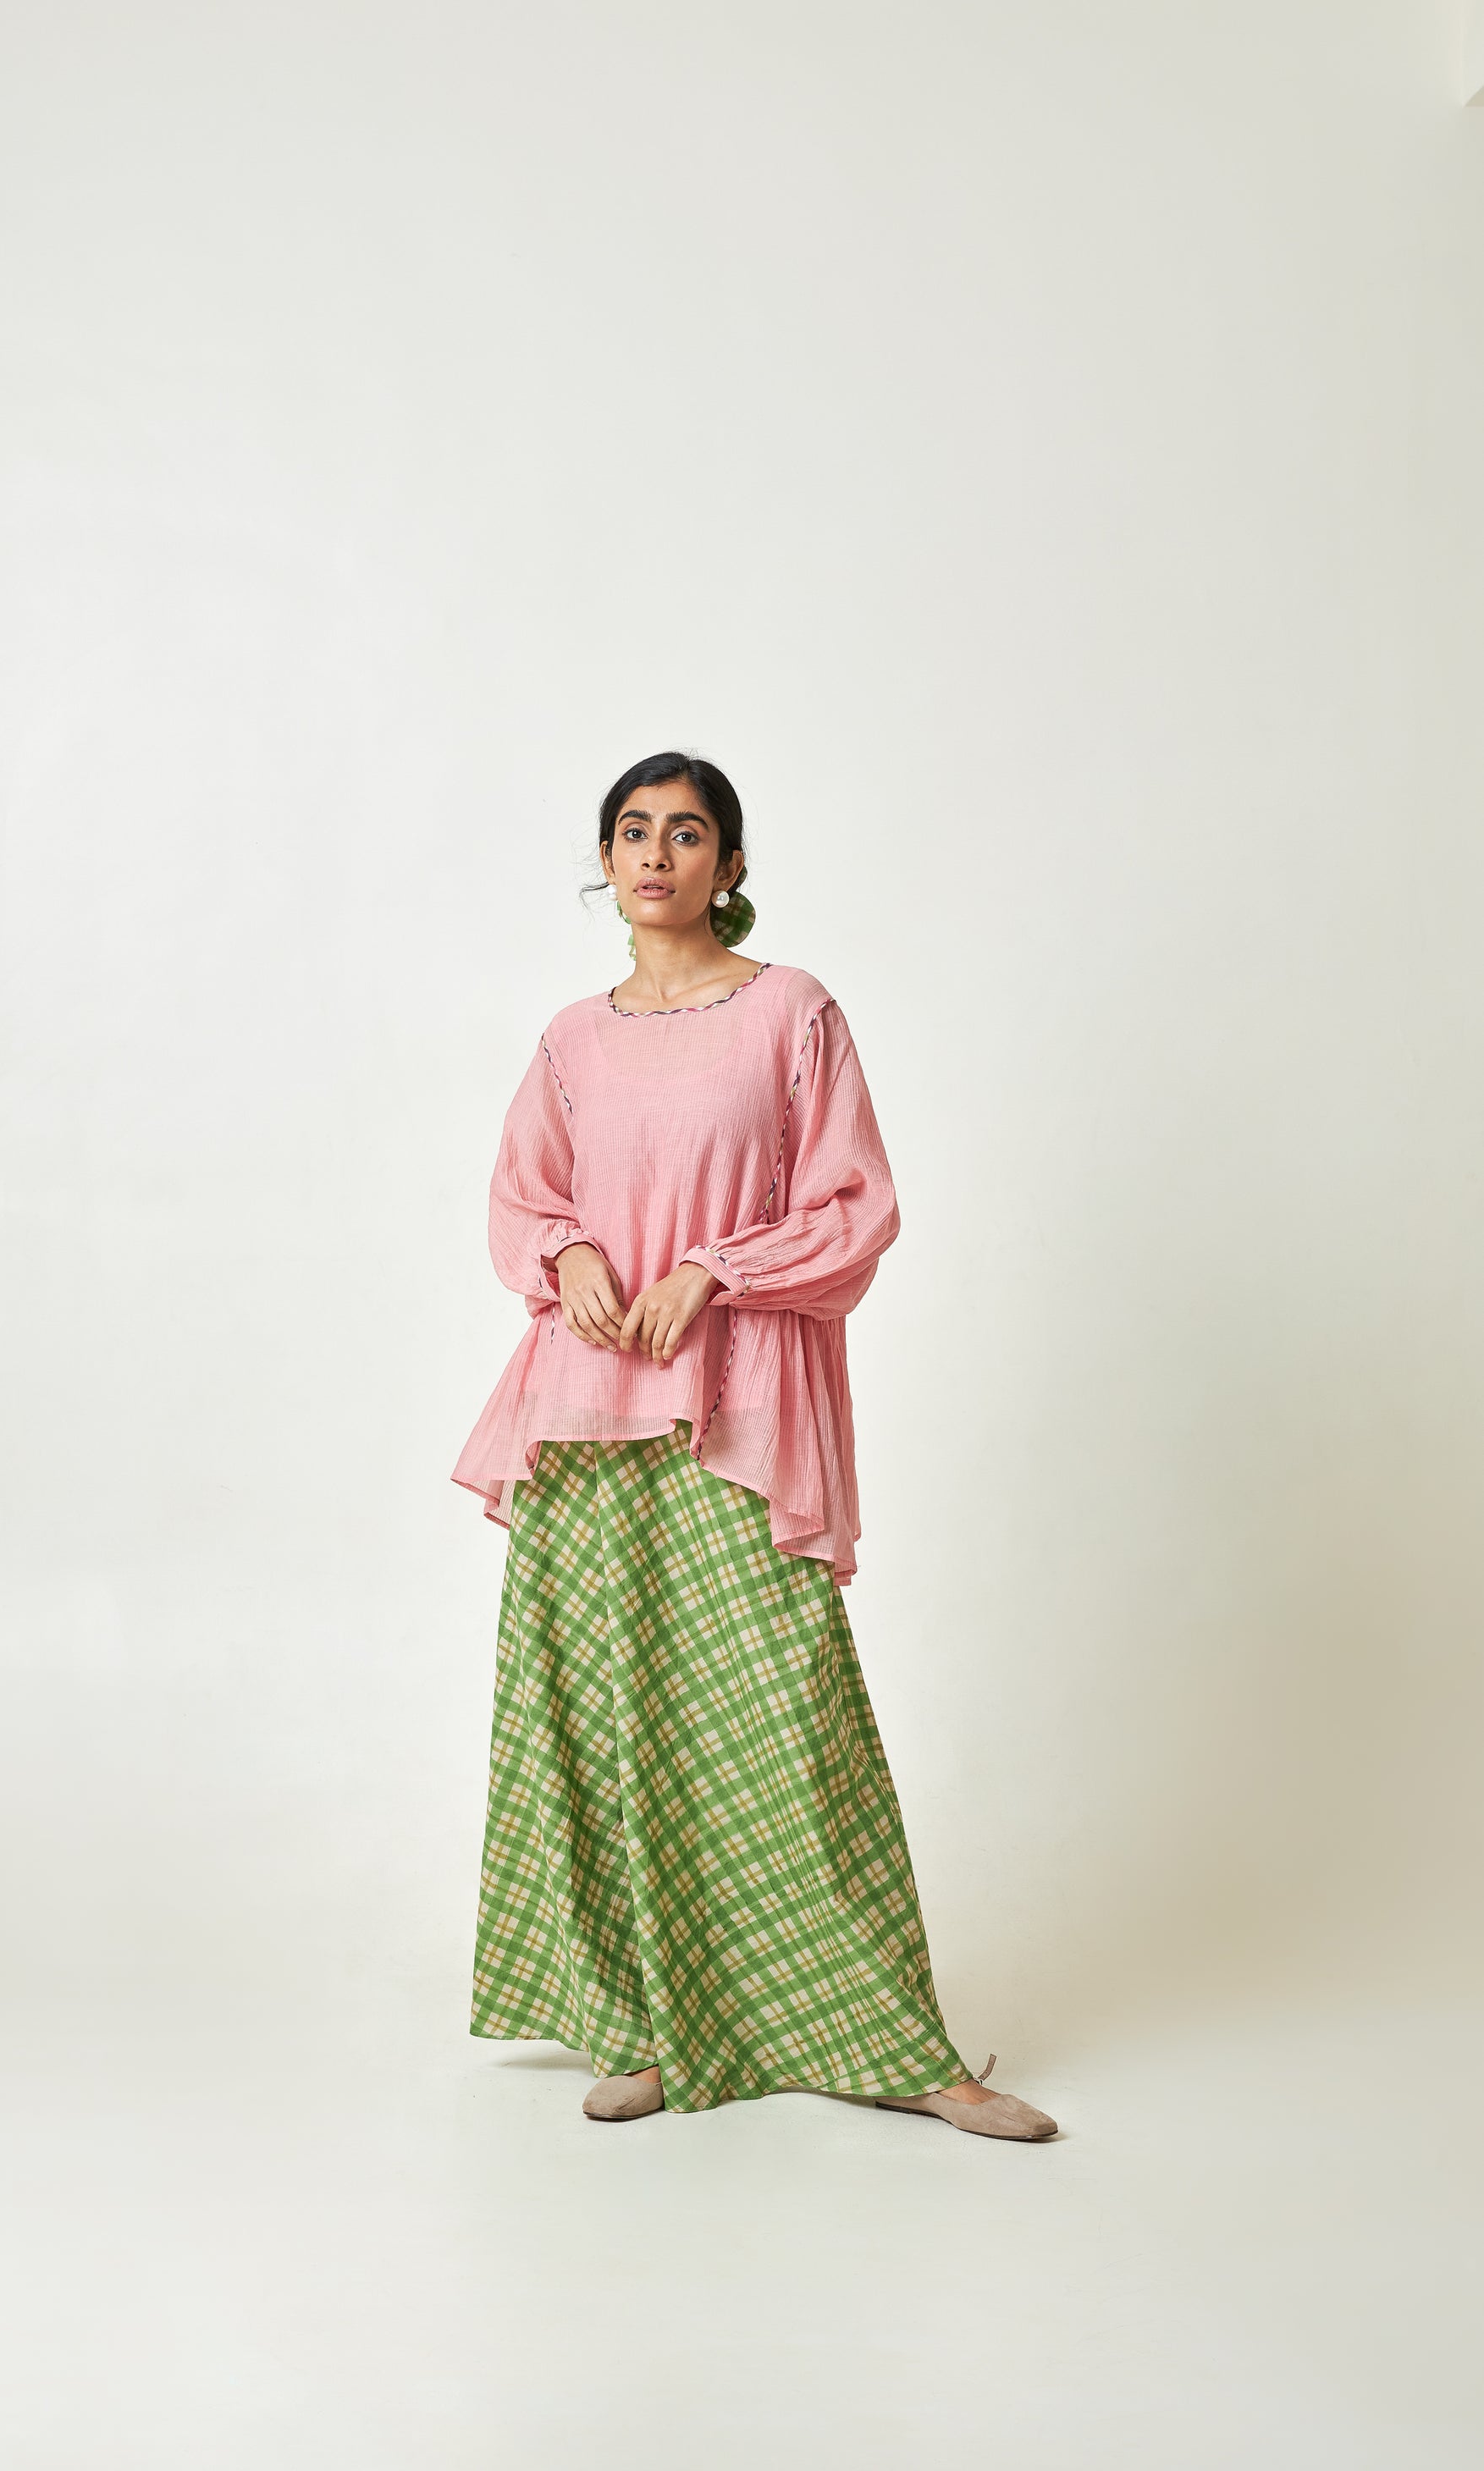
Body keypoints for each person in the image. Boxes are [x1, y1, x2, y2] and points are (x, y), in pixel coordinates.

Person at [450, 752, 1056, 2140]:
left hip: (737, 1406)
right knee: (606, 1708)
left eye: (685, 834)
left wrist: (714, 1270)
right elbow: (520, 1204)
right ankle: (651, 2021)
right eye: (631, 832)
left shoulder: (791, 1012)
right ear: (604, 860)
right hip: (584, 1410)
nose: (654, 855)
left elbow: (854, 1204)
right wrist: (571, 1253)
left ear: (728, 865)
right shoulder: (570, 1039)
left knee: (784, 1714)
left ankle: (896, 2046)